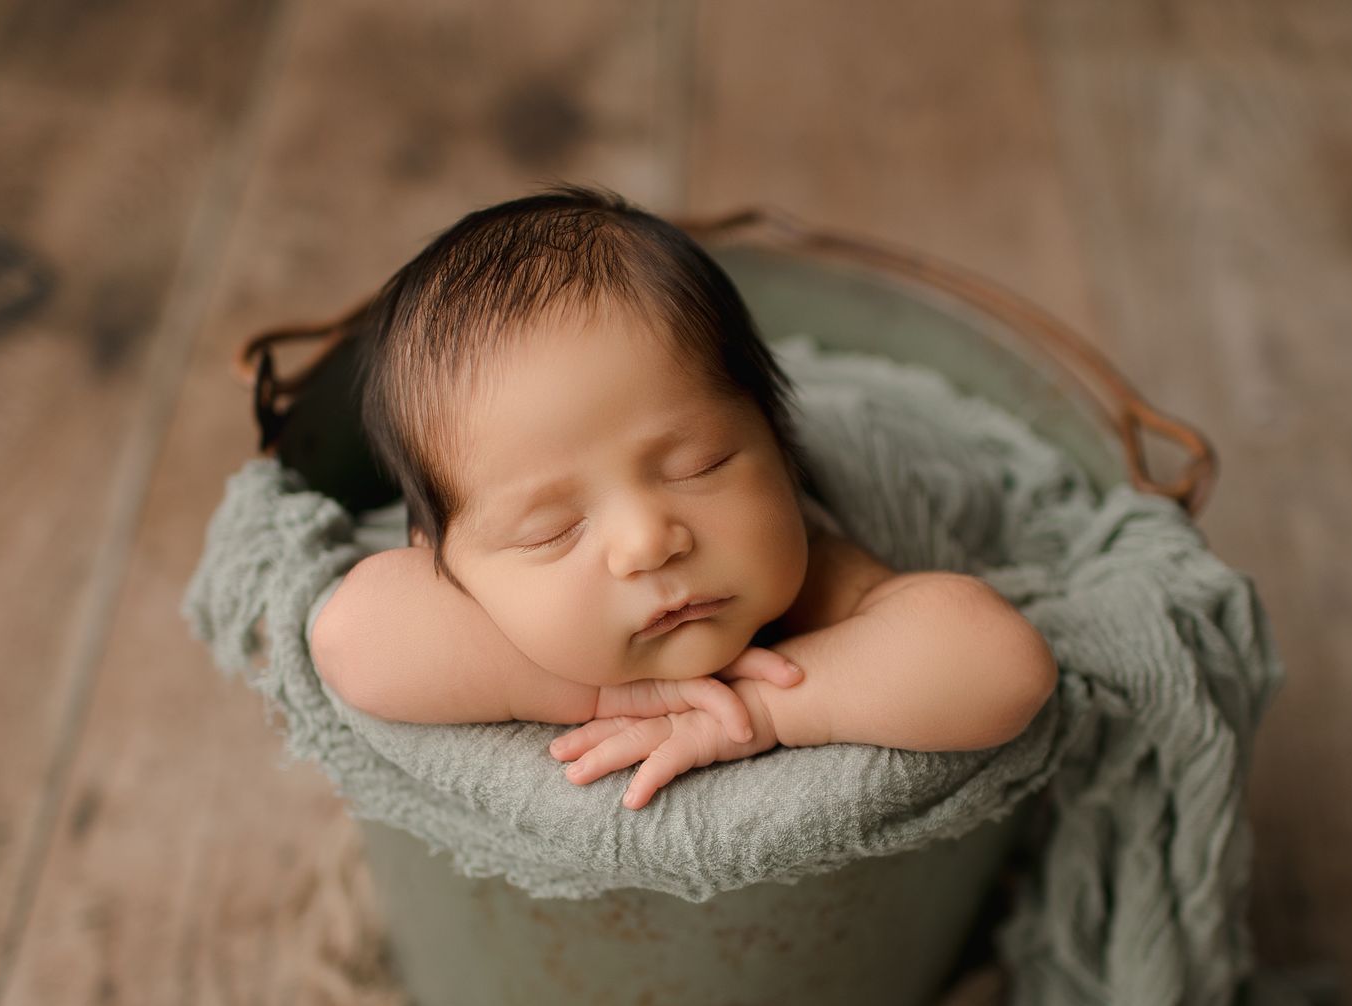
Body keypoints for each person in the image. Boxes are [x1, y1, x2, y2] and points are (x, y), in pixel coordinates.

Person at [310, 183, 1056, 810]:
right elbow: (350, 637)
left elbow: (1001, 666)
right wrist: (595, 696)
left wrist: (770, 708)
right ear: (443, 560)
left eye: (701, 466)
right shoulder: (482, 608)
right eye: (552, 530)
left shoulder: (813, 574)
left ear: (778, 447)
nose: (648, 541)